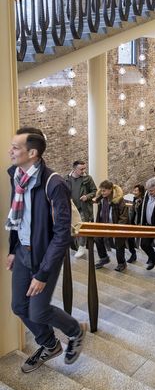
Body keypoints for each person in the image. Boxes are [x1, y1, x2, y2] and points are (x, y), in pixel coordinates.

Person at [5, 126, 86, 373]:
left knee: (38, 310)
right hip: (21, 251)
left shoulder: (54, 184)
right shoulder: (17, 176)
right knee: (19, 306)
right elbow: (19, 217)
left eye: (15, 147)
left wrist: (42, 273)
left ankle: (75, 331)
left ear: (33, 153)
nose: (10, 151)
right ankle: (50, 344)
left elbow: (62, 235)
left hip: (44, 255)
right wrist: (12, 248)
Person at [92, 180, 129, 272]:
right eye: (101, 190)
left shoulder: (119, 200)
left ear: (110, 190)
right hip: (103, 224)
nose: (102, 192)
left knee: (119, 245)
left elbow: (124, 216)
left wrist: (119, 228)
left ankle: (122, 263)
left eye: (104, 190)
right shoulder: (101, 198)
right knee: (97, 238)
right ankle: (104, 258)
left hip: (116, 225)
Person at [65, 160, 97, 258]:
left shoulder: (88, 178)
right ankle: (75, 245)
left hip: (83, 208)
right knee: (72, 228)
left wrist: (87, 197)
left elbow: (94, 191)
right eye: (81, 169)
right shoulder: (66, 179)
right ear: (74, 169)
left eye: (84, 168)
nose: (83, 170)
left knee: (82, 227)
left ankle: (82, 247)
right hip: (71, 208)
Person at [126, 183, 144, 263]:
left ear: (140, 192)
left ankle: (152, 258)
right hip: (132, 223)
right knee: (130, 239)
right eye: (134, 190)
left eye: (136, 191)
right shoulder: (135, 199)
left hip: (139, 224)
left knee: (144, 243)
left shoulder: (143, 201)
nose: (134, 192)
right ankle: (133, 254)